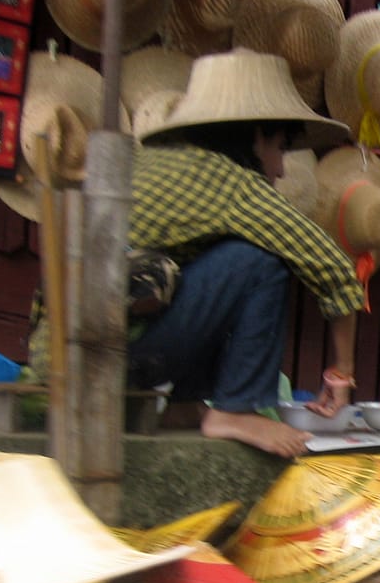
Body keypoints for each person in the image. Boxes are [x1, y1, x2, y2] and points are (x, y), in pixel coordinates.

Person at [128, 48, 365, 457]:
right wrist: (342, 372)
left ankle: (185, 405)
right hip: (118, 351)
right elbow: (333, 269)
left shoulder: (156, 163)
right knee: (260, 262)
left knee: (223, 258)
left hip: (82, 349)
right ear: (255, 136)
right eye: (280, 148)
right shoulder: (231, 181)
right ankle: (234, 409)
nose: (280, 170)